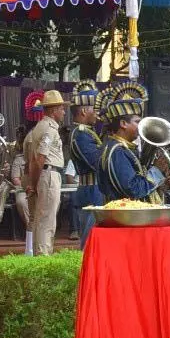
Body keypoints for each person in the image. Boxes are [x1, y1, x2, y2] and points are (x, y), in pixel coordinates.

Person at [99, 83, 170, 204]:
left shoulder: (120, 148)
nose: (141, 126)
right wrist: (156, 171)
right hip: (125, 216)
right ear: (123, 123)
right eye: (137, 122)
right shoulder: (117, 152)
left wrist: (162, 177)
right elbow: (134, 190)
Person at [19, 89, 66, 255]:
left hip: (41, 174)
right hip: (48, 174)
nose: (63, 111)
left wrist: (32, 182)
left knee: (40, 219)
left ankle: (41, 255)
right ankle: (44, 257)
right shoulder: (49, 129)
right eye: (61, 108)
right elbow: (40, 158)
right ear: (53, 111)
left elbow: (32, 160)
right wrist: (33, 183)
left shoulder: (38, 127)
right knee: (47, 220)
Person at [69, 82, 104, 247]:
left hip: (95, 192)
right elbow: (96, 162)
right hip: (91, 192)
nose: (97, 114)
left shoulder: (88, 132)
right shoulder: (81, 134)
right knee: (91, 244)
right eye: (94, 109)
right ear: (84, 110)